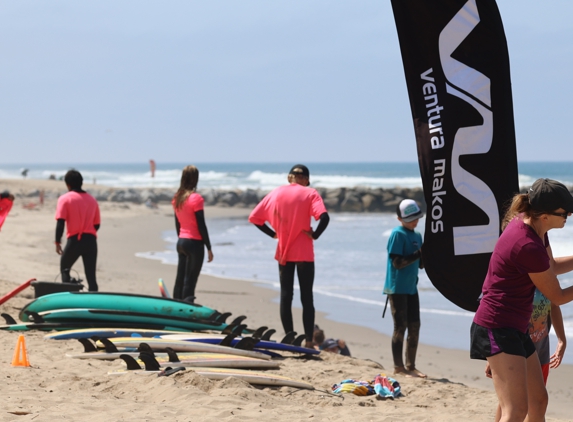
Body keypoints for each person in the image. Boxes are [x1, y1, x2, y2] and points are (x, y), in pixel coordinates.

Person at [471, 178, 573, 422]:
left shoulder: (534, 228)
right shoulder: (526, 244)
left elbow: (550, 267)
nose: (569, 215)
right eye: (564, 213)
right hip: (497, 326)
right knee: (515, 411)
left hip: (515, 327)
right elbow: (556, 295)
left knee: (538, 400)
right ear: (545, 215)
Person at [249, 164, 329, 348]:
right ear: (307, 179)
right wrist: (315, 235)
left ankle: (291, 339)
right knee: (307, 297)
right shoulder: (310, 193)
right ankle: (309, 341)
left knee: (286, 296)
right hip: (304, 253)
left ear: (289, 177)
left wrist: (273, 234)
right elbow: (324, 218)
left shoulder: (275, 193)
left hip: (284, 251)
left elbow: (254, 217)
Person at [486, 288, 567, 422]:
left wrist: (561, 339)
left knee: (537, 404)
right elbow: (495, 311)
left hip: (541, 351)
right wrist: (494, 354)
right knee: (511, 404)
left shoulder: (547, 272)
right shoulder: (514, 273)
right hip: (514, 350)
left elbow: (554, 304)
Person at [383, 199, 426, 378]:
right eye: (411, 219)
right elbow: (397, 262)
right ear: (400, 219)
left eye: (416, 218)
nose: (415, 222)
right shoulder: (397, 234)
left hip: (411, 287)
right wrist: (419, 254)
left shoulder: (417, 236)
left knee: (415, 325)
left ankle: (411, 365)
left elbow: (421, 264)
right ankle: (398, 367)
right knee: (400, 327)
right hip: (397, 288)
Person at [172, 165, 213, 303]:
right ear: (195, 179)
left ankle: (175, 305)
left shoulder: (177, 198)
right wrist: (209, 247)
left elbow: (177, 223)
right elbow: (201, 224)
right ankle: (186, 307)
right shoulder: (196, 198)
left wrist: (181, 239)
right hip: (194, 243)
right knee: (190, 280)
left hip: (181, 242)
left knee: (180, 278)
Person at [55, 170, 101, 291]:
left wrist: (57, 242)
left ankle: (68, 296)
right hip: (91, 241)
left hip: (75, 240)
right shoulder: (92, 200)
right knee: (91, 277)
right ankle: (94, 304)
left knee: (65, 268)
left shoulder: (65, 199)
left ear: (68, 184)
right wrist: (88, 233)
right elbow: (97, 224)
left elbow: (60, 222)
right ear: (81, 183)